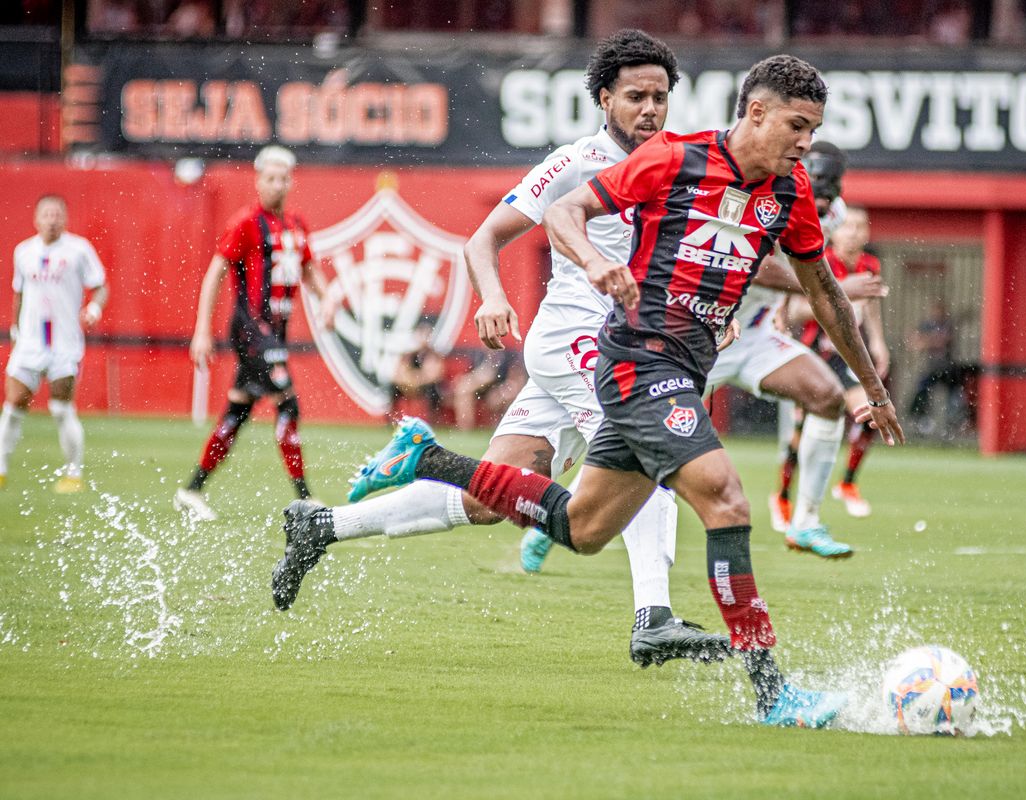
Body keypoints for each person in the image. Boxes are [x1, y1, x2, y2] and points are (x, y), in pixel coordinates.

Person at [318, 56, 903, 726]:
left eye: (815, 130)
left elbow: (822, 288)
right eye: (799, 126)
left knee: (583, 527)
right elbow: (567, 212)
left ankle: (429, 460)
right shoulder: (672, 161)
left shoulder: (790, 191)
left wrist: (870, 385)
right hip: (634, 362)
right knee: (726, 497)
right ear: (758, 113)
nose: (806, 142)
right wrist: (598, 264)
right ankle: (768, 689)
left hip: (684, 369)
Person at [271, 30, 731, 668]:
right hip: (578, 338)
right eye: (635, 97)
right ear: (605, 99)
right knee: (650, 448)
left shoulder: (679, 167)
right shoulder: (574, 164)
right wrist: (491, 298)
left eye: (660, 96)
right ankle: (652, 618)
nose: (649, 109)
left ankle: (320, 527)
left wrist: (713, 312)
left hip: (620, 348)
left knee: (489, 500)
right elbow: (483, 239)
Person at [708, 140, 867, 558]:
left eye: (833, 183)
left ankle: (806, 523)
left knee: (828, 397)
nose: (825, 193)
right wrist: (831, 289)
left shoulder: (833, 213)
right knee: (642, 438)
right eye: (818, 180)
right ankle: (574, 511)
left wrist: (793, 303)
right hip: (704, 329)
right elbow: (755, 264)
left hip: (756, 332)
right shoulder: (757, 194)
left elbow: (802, 257)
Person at [174, 145, 329, 521]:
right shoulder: (245, 222)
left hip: (275, 334)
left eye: (283, 178)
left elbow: (309, 269)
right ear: (258, 181)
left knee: (238, 410)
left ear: (291, 181)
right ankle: (305, 498)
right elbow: (216, 273)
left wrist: (327, 301)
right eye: (270, 178)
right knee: (288, 404)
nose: (277, 185)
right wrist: (201, 331)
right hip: (250, 331)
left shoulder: (296, 225)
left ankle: (192, 489)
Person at [781, 204, 889, 518]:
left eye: (861, 226)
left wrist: (879, 343)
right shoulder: (822, 262)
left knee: (872, 413)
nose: (854, 232)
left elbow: (870, 307)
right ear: (835, 230)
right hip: (816, 352)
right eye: (848, 226)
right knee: (801, 430)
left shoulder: (870, 264)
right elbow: (796, 311)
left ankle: (847, 483)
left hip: (846, 357)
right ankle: (785, 497)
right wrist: (837, 298)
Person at [0, 195, 109, 493]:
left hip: (64, 343)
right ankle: (1, 468)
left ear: (65, 218)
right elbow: (18, 293)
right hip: (29, 343)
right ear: (36, 219)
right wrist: (15, 327)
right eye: (46, 214)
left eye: (57, 214)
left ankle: (73, 474)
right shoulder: (23, 251)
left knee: (62, 408)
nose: (52, 219)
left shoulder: (78, 250)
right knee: (12, 406)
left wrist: (94, 309)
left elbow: (100, 286)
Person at [906, 298, 963, 437]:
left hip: (946, 368)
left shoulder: (947, 324)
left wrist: (925, 340)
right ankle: (923, 421)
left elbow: (941, 340)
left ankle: (953, 424)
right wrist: (927, 340)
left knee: (954, 395)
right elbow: (913, 342)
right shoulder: (927, 325)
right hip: (931, 368)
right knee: (921, 391)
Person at [386, 315, 445, 425]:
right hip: (409, 384)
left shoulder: (432, 354)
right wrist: (410, 381)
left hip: (424, 386)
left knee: (433, 391)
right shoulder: (409, 355)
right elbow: (398, 373)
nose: (423, 338)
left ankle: (432, 421)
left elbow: (434, 376)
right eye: (421, 335)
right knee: (393, 387)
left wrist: (415, 379)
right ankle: (391, 419)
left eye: (426, 335)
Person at [449, 349, 524, 431]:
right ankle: (465, 427)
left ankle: (504, 428)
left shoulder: (507, 356)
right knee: (463, 391)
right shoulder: (478, 354)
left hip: (499, 388)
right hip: (481, 388)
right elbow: (473, 374)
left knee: (499, 397)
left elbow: (514, 379)